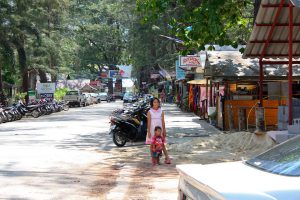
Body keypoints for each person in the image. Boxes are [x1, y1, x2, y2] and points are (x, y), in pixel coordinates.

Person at [146, 97, 171, 164]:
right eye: (154, 102)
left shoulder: (161, 111)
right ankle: (154, 158)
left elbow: (163, 122)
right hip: (152, 130)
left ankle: (167, 158)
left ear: (159, 103)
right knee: (152, 145)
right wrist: (148, 131)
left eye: (157, 102)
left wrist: (164, 130)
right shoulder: (149, 112)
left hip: (160, 130)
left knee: (162, 144)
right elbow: (149, 122)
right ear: (152, 103)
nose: (156, 103)